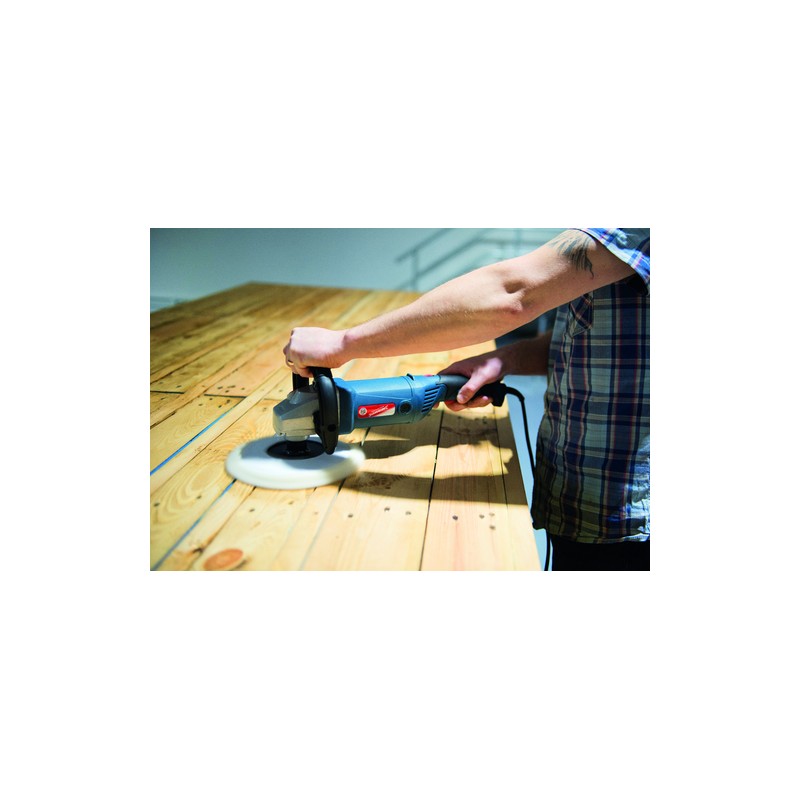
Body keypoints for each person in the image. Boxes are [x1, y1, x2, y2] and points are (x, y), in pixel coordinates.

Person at [283, 229, 650, 571]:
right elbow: (590, 335)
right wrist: (503, 359)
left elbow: (512, 292)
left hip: (622, 518)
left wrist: (343, 343)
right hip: (576, 491)